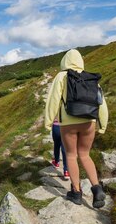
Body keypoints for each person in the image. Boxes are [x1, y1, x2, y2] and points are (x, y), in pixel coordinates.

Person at [44, 49, 109, 208]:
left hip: (69, 122)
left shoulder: (62, 76)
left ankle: (76, 192)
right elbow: (101, 103)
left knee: (71, 156)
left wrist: (48, 121)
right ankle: (96, 188)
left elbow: (53, 100)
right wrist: (102, 125)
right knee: (85, 155)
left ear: (65, 61)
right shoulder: (90, 78)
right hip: (89, 121)